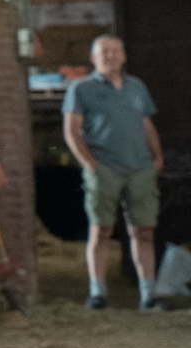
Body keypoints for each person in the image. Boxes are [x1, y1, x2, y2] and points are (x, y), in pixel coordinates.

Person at [62, 34, 165, 310]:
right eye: (104, 52)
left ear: (124, 56)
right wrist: (89, 164)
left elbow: (146, 124)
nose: (110, 56)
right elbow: (71, 131)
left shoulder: (136, 87)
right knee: (101, 230)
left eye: (115, 51)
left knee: (143, 231)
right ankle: (98, 292)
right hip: (104, 167)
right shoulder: (80, 89)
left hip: (140, 168)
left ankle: (148, 295)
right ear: (94, 58)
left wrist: (157, 156)